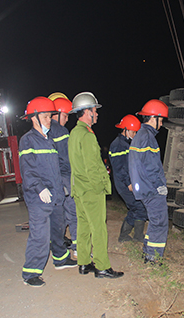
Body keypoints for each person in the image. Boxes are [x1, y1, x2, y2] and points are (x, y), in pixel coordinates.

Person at [19, 96, 77, 287]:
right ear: (34, 118)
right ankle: (31, 273)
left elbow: (56, 167)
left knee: (58, 231)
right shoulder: (27, 140)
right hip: (39, 198)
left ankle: (61, 259)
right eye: (45, 117)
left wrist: (62, 186)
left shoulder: (49, 139)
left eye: (50, 117)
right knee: (40, 235)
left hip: (56, 195)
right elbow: (28, 170)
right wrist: (40, 188)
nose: (49, 121)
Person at [68, 91, 124, 278]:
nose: (97, 114)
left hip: (79, 189)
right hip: (91, 190)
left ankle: (84, 263)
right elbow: (92, 166)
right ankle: (102, 266)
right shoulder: (87, 135)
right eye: (95, 110)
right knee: (99, 228)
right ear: (87, 112)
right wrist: (101, 186)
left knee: (83, 226)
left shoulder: (74, 133)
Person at [128, 99, 168, 264]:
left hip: (144, 188)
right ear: (154, 118)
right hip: (151, 189)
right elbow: (151, 167)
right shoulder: (148, 137)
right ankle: (153, 257)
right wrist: (159, 186)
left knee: (154, 221)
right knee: (159, 222)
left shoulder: (139, 135)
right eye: (161, 119)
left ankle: (148, 252)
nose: (162, 123)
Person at [47, 93, 77, 258]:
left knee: (58, 216)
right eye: (65, 115)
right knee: (73, 214)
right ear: (56, 114)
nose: (67, 119)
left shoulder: (43, 131)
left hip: (51, 180)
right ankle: (78, 248)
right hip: (65, 178)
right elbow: (67, 159)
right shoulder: (61, 130)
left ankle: (57, 245)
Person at [109, 114, 147, 243]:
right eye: (133, 132)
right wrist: (129, 183)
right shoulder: (118, 145)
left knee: (137, 207)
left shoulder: (125, 144)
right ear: (125, 129)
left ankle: (131, 235)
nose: (135, 134)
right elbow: (120, 168)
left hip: (128, 182)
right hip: (124, 184)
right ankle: (131, 236)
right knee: (139, 207)